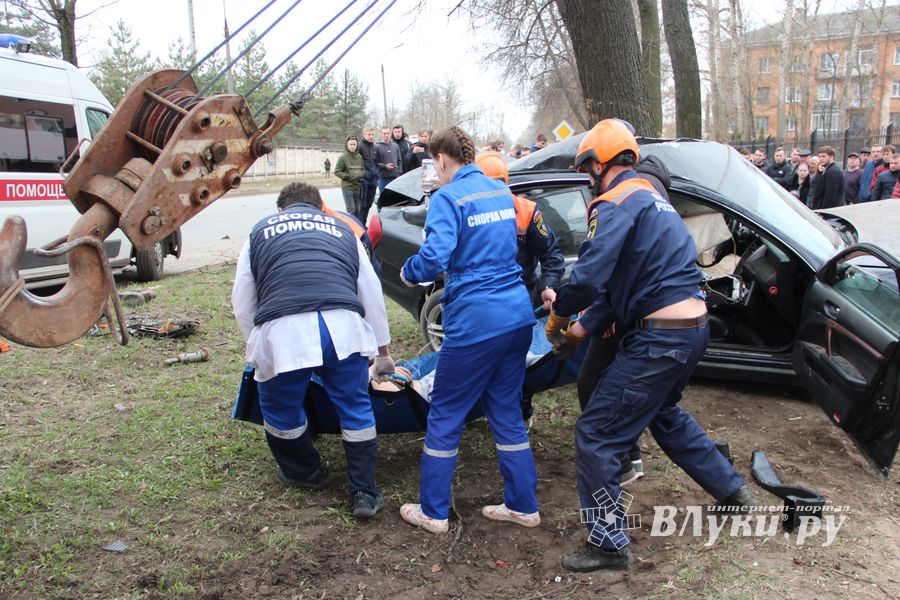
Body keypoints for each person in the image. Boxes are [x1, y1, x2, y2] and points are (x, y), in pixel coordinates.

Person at [546, 119, 757, 572]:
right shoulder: (655, 201)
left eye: (588, 170)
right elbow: (621, 283)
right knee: (663, 414)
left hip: (659, 337)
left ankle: (608, 544)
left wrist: (560, 314)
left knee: (596, 434)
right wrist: (583, 328)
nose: (588, 179)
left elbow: (588, 276)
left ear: (600, 164)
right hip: (691, 328)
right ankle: (733, 491)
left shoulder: (616, 201)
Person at [398, 126, 539, 535]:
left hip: (476, 321)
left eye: (432, 164)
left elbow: (434, 255)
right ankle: (523, 505)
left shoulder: (447, 198)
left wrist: (410, 273)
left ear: (442, 159)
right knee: (506, 411)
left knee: (445, 413)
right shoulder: (498, 191)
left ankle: (433, 512)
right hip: (516, 316)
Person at [231, 182, 395, 520]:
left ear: (280, 209)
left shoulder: (258, 232)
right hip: (343, 326)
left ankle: (305, 472)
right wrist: (382, 350)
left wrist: (258, 342)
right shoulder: (344, 230)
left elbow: (243, 300)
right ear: (321, 207)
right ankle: (364, 491)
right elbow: (371, 293)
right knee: (354, 406)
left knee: (279, 408)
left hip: (283, 328)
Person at [474, 151, 565, 308]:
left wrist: (548, 287)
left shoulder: (526, 212)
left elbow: (550, 255)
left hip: (519, 297)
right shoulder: (467, 213)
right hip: (480, 299)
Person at [334, 136, 365, 218]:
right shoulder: (343, 158)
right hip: (347, 188)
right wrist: (348, 176)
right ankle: (351, 229)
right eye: (351, 144)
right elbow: (337, 171)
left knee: (358, 210)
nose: (353, 146)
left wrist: (360, 175)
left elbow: (363, 169)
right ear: (347, 145)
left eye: (354, 144)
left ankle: (358, 229)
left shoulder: (359, 157)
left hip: (357, 187)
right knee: (351, 211)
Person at [810, 146, 846, 210]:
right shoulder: (828, 170)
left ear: (831, 157)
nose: (821, 159)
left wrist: (824, 212)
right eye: (820, 156)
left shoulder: (832, 172)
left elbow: (830, 195)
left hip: (831, 211)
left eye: (823, 156)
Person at [358, 126, 380, 224]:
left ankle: (364, 223)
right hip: (364, 179)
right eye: (369, 134)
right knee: (363, 204)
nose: (371, 136)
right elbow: (357, 163)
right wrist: (363, 174)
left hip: (373, 179)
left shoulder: (374, 147)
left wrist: (377, 173)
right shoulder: (360, 146)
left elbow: (376, 162)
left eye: (372, 134)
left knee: (369, 204)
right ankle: (360, 224)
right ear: (364, 135)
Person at [374, 126, 402, 192]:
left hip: (395, 178)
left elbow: (399, 160)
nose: (386, 135)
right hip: (383, 178)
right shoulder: (377, 147)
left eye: (388, 133)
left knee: (395, 199)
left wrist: (399, 173)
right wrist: (385, 166)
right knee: (384, 200)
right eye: (384, 133)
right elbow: (375, 163)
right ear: (381, 134)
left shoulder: (395, 146)